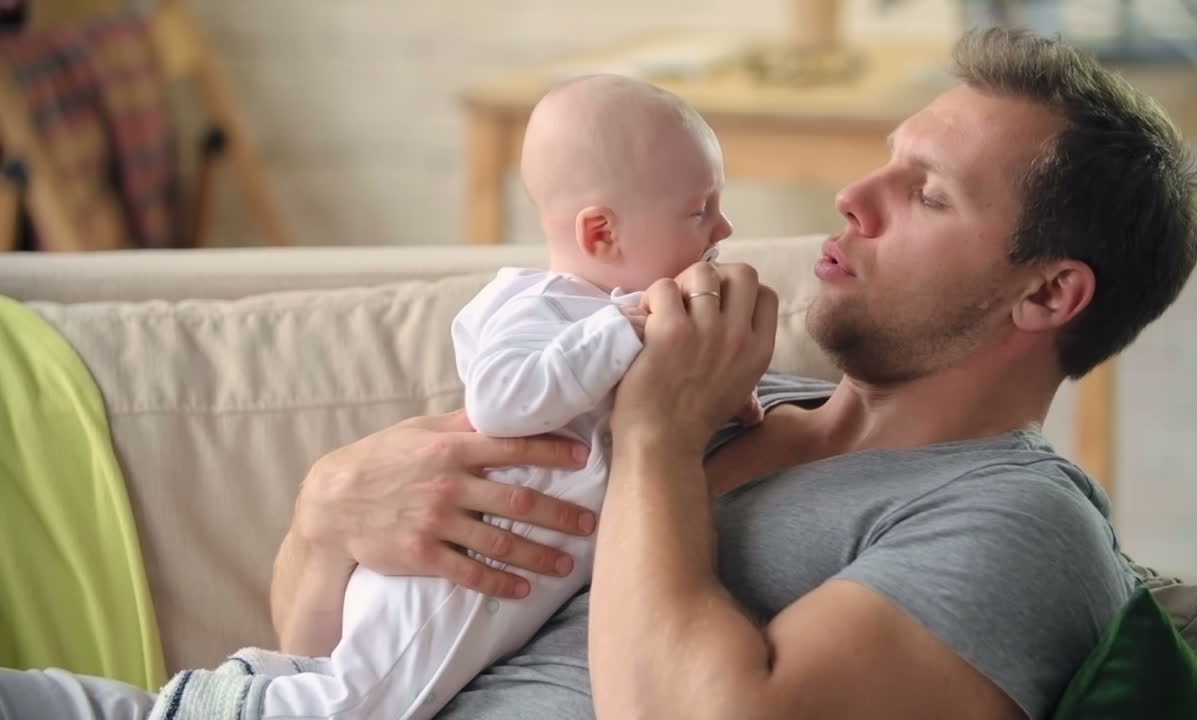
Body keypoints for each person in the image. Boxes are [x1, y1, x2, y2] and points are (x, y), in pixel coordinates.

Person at [0, 27, 1197, 720]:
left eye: (927, 191)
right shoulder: (739, 395)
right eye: (885, 161)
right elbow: (328, 639)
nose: (853, 196)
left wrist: (650, 439)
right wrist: (330, 513)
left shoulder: (1013, 520)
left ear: (1047, 294)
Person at [142, 74, 752, 720]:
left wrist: (724, 393)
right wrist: (617, 329)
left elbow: (659, 418)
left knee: (372, 689)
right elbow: (500, 401)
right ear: (601, 233)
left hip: (495, 585)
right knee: (364, 704)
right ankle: (212, 704)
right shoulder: (540, 307)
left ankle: (267, 685)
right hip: (452, 577)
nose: (724, 227)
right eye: (700, 211)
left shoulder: (621, 322)